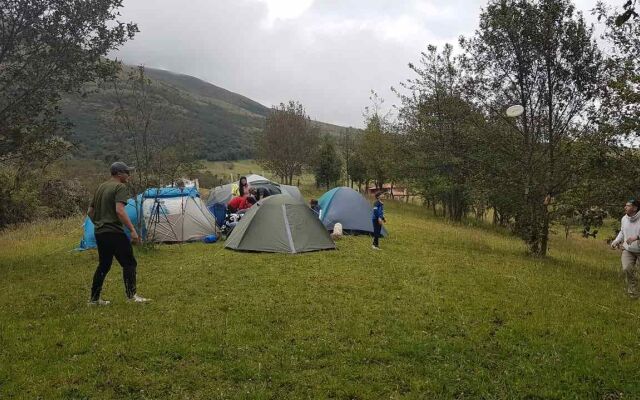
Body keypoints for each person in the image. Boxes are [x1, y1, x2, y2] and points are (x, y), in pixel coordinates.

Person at [87, 162, 150, 305]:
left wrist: (99, 223)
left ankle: (94, 299)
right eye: (127, 172)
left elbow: (90, 212)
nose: (129, 175)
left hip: (100, 233)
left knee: (104, 265)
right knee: (129, 263)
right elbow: (119, 210)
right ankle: (131, 296)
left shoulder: (101, 187)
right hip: (114, 232)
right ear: (119, 174)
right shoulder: (120, 187)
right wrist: (133, 230)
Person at [611, 198, 640, 299]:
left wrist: (637, 237)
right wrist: (616, 241)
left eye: (628, 205)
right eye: (625, 205)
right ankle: (633, 294)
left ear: (635, 208)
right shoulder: (624, 219)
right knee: (627, 269)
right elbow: (622, 232)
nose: (625, 207)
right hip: (628, 249)